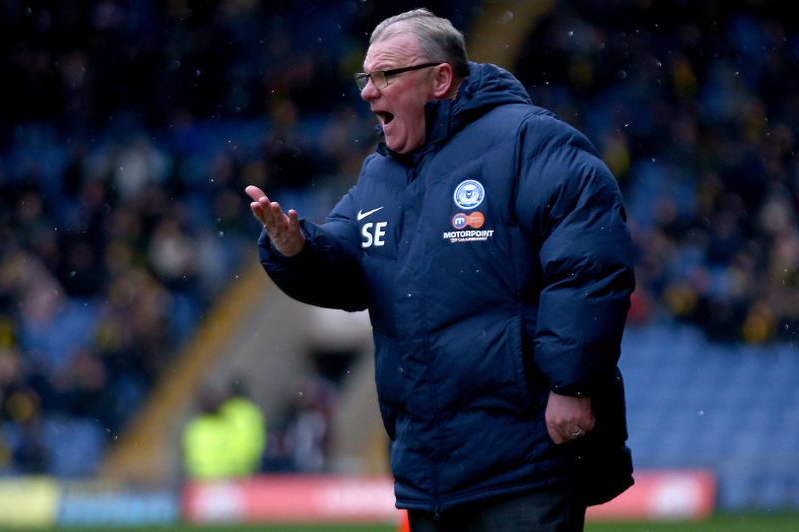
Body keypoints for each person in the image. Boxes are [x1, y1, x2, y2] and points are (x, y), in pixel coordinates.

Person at [245, 8, 635, 531]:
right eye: (366, 77)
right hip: (428, 475)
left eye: (386, 75)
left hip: (526, 461)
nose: (368, 92)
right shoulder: (380, 173)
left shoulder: (529, 141)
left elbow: (590, 262)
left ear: (440, 79)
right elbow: (345, 267)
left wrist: (573, 385)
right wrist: (295, 249)